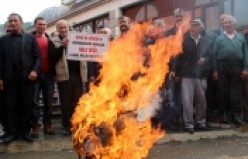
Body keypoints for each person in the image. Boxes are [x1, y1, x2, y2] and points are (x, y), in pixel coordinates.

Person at [0, 13, 41, 144]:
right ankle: (11, 132)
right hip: (9, 78)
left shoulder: (30, 38)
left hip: (27, 77)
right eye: (10, 21)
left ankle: (24, 132)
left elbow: (38, 57)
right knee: (10, 105)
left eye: (15, 21)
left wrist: (35, 70)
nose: (12, 23)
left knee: (26, 104)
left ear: (21, 22)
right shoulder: (3, 40)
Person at [171, 19, 212, 134]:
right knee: (187, 101)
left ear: (201, 27)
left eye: (197, 25)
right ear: (190, 28)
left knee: (201, 100)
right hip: (187, 74)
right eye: (193, 25)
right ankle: (188, 124)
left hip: (201, 75)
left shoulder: (205, 41)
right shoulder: (184, 40)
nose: (195, 27)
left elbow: (210, 56)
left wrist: (205, 60)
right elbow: (177, 56)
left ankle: (201, 123)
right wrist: (174, 70)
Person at [51, 19, 86, 136]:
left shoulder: (77, 38)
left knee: (78, 102)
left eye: (65, 27)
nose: (63, 30)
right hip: (64, 77)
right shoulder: (53, 41)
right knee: (65, 103)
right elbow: (53, 57)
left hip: (78, 76)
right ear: (57, 29)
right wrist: (63, 46)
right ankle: (66, 126)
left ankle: (77, 125)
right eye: (60, 28)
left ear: (68, 28)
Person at [213, 15, 248, 127]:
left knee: (236, 92)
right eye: (225, 22)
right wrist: (215, 70)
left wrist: (245, 68)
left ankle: (236, 115)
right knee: (223, 91)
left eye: (229, 22)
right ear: (223, 25)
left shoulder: (241, 37)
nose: (227, 24)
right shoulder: (218, 39)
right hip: (222, 67)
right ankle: (224, 114)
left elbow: (246, 54)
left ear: (234, 24)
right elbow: (214, 55)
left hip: (236, 67)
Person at [30, 17, 56, 138]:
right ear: (35, 26)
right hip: (35, 74)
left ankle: (47, 123)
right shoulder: (30, 39)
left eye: (44, 24)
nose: (42, 26)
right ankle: (35, 125)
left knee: (49, 102)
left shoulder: (50, 39)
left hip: (48, 74)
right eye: (40, 24)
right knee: (34, 101)